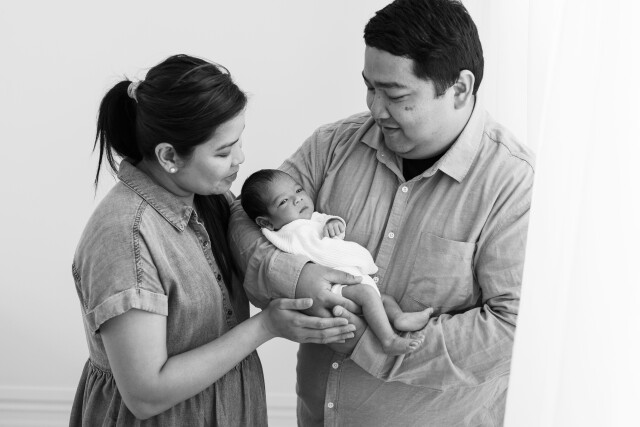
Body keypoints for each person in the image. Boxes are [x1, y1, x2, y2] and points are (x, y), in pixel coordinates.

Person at [229, 0, 535, 425]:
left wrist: (367, 344)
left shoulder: (514, 183)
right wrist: (300, 279)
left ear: (460, 89)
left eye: (394, 95)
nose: (375, 109)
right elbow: (244, 221)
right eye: (370, 88)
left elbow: (512, 329)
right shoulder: (332, 145)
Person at [69, 54, 359, 426]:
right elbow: (145, 395)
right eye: (223, 151)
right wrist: (266, 326)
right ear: (169, 156)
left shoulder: (210, 198)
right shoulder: (125, 236)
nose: (241, 158)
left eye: (238, 141)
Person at [240, 169, 434, 355]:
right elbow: (314, 252)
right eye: (283, 201)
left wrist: (334, 223)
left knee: (383, 298)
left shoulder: (313, 218)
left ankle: (399, 318)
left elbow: (327, 221)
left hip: (350, 281)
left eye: (298, 190)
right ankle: (388, 340)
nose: (297, 199)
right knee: (368, 294)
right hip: (332, 287)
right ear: (266, 222)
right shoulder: (284, 233)